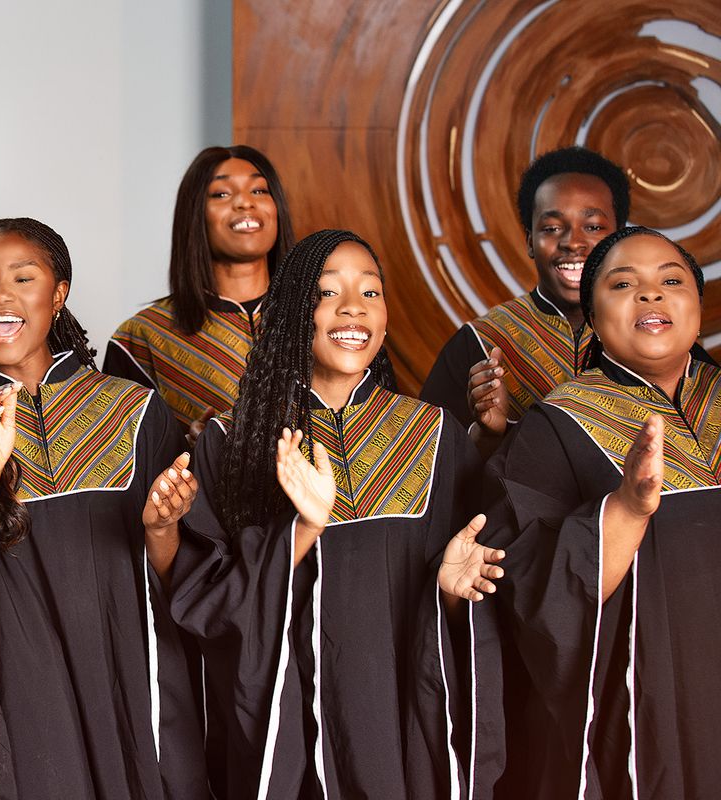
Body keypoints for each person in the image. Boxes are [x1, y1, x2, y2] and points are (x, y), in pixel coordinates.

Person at [170, 229, 502, 799]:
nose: (353, 307)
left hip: (406, 727)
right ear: (294, 312)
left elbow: (488, 601)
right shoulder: (235, 442)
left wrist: (450, 592)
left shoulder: (435, 435)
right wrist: (300, 530)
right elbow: (204, 602)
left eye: (370, 292)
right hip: (297, 733)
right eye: (328, 293)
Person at [0, 218, 208, 799]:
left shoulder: (134, 410)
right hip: (18, 690)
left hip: (130, 676)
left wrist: (162, 529)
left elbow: (178, 579)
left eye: (22, 278)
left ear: (58, 294)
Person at [478, 226, 721, 798]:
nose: (651, 295)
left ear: (697, 304)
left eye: (670, 281)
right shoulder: (554, 427)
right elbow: (529, 595)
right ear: (590, 314)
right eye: (623, 284)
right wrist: (629, 510)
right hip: (644, 711)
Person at [420, 146, 628, 453]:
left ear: (619, 237)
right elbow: (431, 470)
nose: (572, 242)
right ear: (530, 241)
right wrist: (488, 433)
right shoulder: (476, 344)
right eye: (552, 228)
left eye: (593, 227)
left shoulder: (655, 335)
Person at [106, 145, 295, 443]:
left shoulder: (322, 317)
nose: (245, 203)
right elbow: (126, 462)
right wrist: (188, 449)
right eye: (222, 194)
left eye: (259, 191)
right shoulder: (140, 338)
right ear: (195, 214)